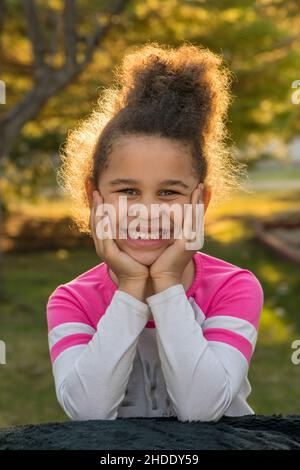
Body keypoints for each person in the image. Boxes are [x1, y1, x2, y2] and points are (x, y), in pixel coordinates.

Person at [46, 42, 264, 422]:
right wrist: (131, 286)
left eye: (169, 192)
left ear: (201, 200)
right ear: (92, 196)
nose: (147, 211)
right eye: (128, 191)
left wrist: (165, 281)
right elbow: (88, 412)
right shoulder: (72, 301)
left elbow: (202, 409)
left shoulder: (235, 288)